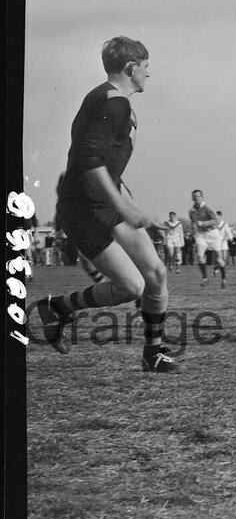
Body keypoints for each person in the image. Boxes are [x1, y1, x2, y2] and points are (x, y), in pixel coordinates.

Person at [32, 36, 180, 372]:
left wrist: (130, 205)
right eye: (145, 67)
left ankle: (153, 354)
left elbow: (107, 171)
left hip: (106, 202)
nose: (148, 74)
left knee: (156, 274)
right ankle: (58, 307)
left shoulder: (107, 98)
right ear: (131, 67)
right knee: (131, 287)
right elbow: (91, 163)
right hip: (84, 210)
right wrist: (126, 210)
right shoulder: (113, 103)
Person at [189, 189, 228, 287]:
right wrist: (193, 229)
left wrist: (204, 223)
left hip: (212, 234)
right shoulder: (191, 211)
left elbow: (216, 221)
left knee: (219, 260)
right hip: (201, 235)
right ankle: (205, 278)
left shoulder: (207, 207)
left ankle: (224, 279)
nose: (196, 198)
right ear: (192, 198)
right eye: (195, 197)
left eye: (198, 196)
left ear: (202, 197)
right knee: (200, 257)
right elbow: (193, 222)